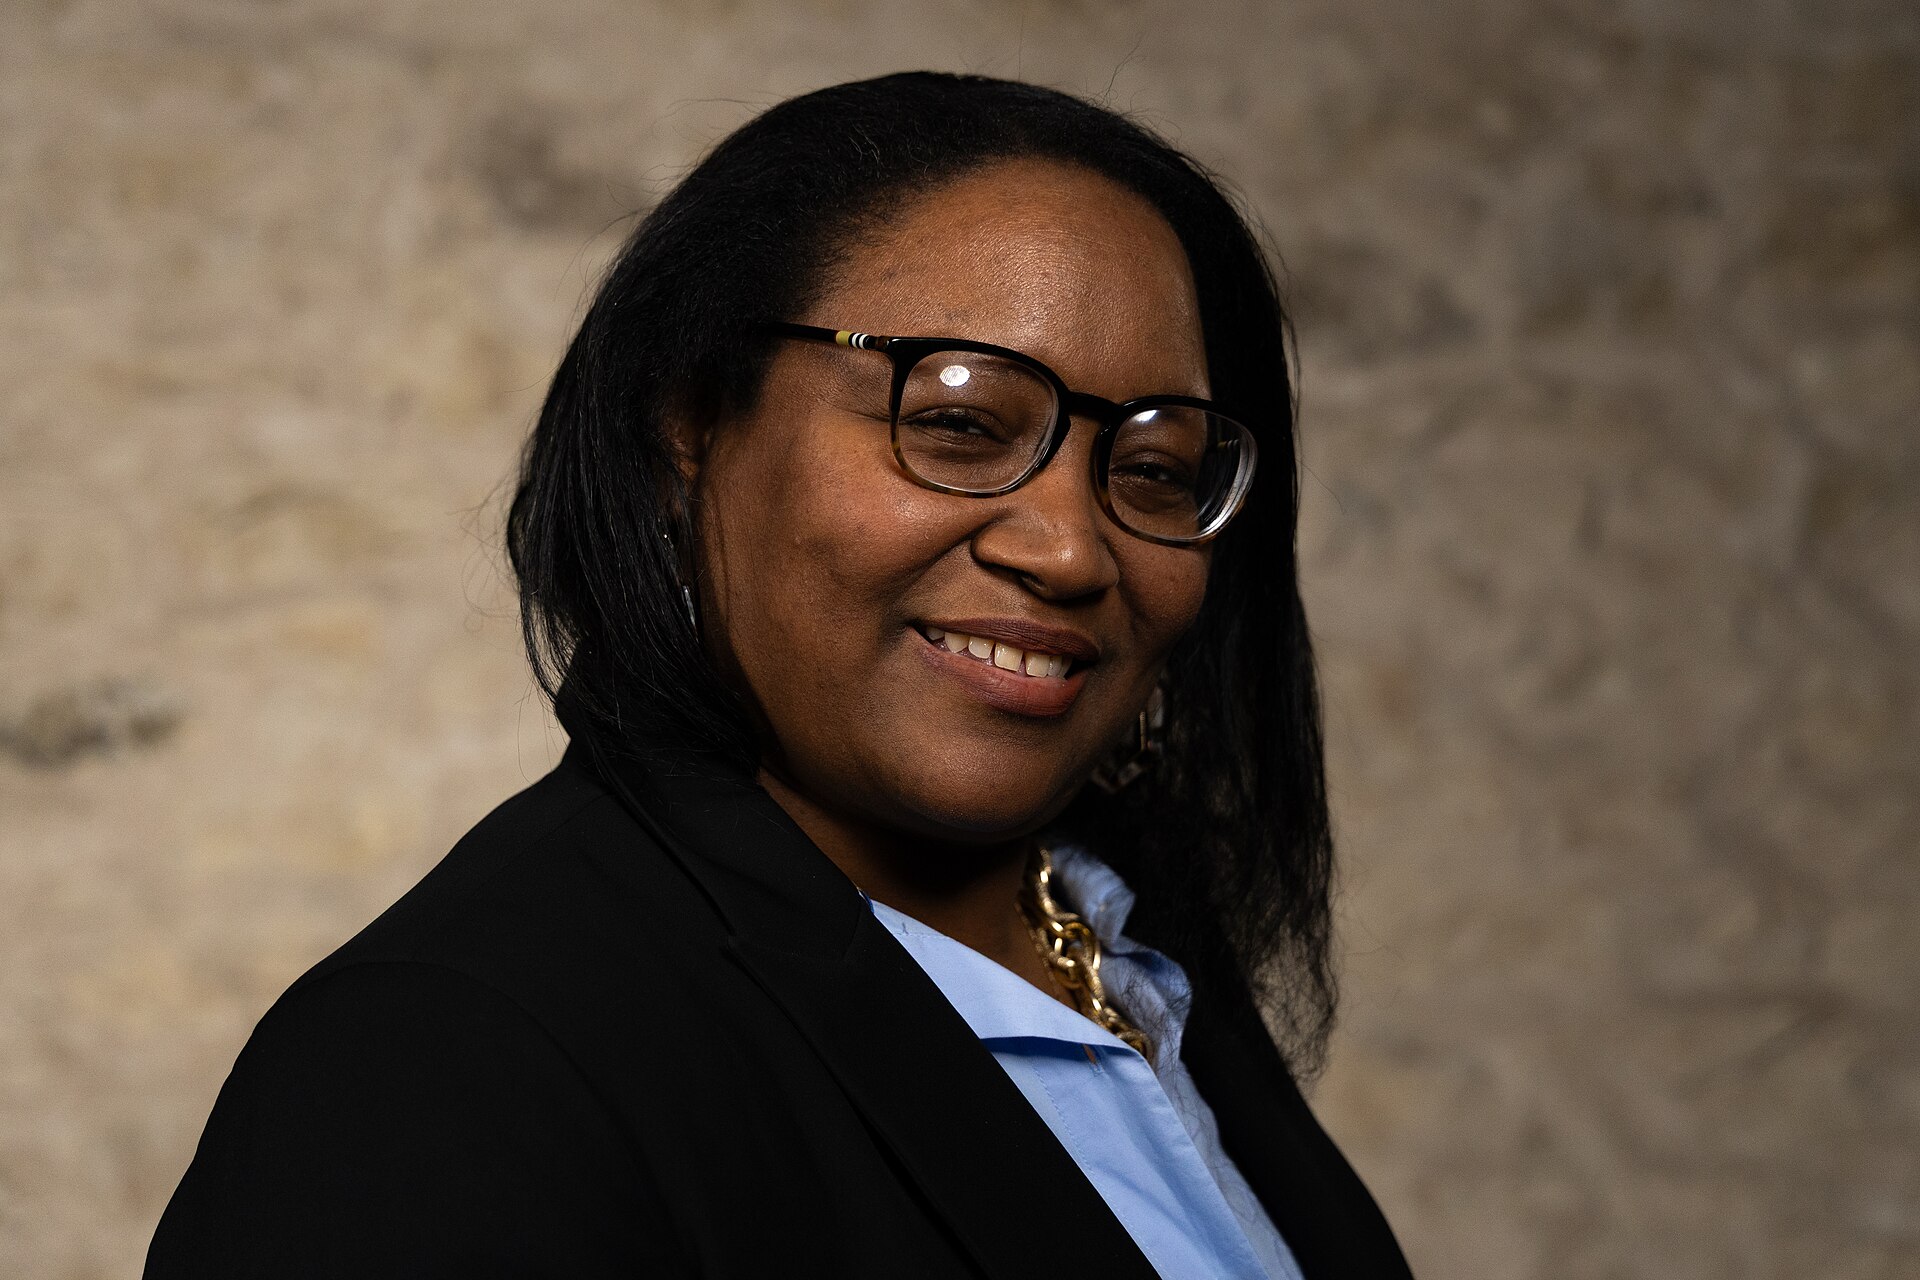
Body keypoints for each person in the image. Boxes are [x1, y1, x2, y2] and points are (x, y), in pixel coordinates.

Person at [146, 71, 1413, 1278]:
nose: (1073, 546)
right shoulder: (438, 1065)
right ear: (689, 427)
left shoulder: (1133, 948)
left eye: (1152, 469)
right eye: (959, 421)